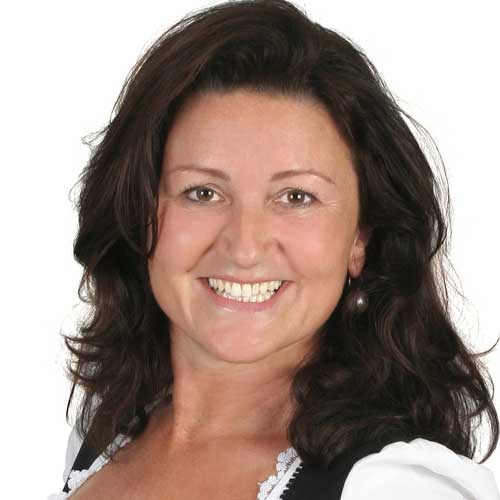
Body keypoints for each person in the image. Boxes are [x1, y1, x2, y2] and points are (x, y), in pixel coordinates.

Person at [47, 0, 499, 498]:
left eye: (296, 197)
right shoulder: (102, 432)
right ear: (140, 212)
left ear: (360, 239)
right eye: (203, 193)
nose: (244, 247)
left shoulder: (395, 487)